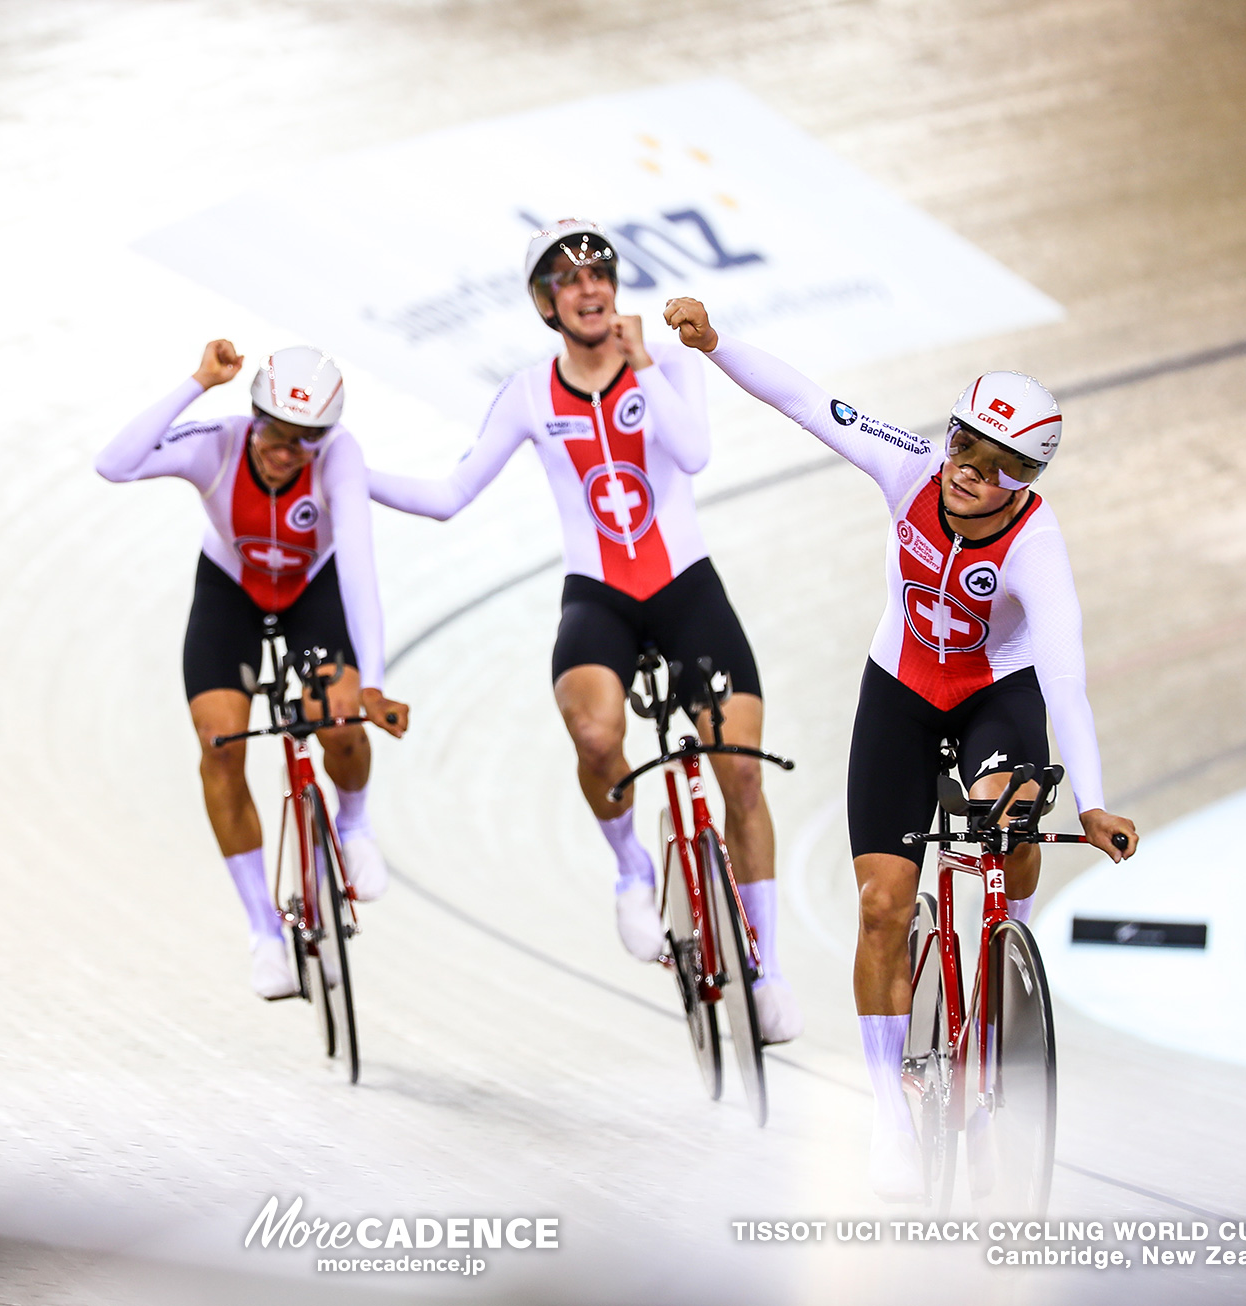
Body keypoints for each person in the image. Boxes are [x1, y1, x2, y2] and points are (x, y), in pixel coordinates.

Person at [661, 295, 1139, 1197]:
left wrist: (1094, 802)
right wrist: (717, 343)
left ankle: (1007, 953)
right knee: (884, 906)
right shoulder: (908, 467)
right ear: (949, 435)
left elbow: (1065, 678)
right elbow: (806, 401)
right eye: (964, 446)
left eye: (996, 468)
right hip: (902, 693)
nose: (968, 473)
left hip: (997, 691)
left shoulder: (1039, 547)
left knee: (1015, 821)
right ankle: (889, 1111)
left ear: (1026, 482)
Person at [367, 219, 800, 1042]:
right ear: (547, 305)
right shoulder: (530, 394)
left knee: (740, 775)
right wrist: (351, 474)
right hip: (599, 593)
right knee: (597, 732)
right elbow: (451, 494)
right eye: (569, 280)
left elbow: (695, 452)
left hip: (686, 589)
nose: (590, 286)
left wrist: (646, 364)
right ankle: (633, 869)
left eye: (600, 271)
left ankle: (770, 970)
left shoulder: (666, 360)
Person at [97, 341, 409, 999]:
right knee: (219, 746)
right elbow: (113, 465)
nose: (284, 449)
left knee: (342, 724)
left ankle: (353, 823)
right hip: (232, 593)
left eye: (305, 440)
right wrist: (197, 383)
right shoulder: (218, 442)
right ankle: (264, 931)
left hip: (311, 593)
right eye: (274, 429)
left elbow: (357, 568)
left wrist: (373, 683)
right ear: (253, 415)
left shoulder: (339, 457)